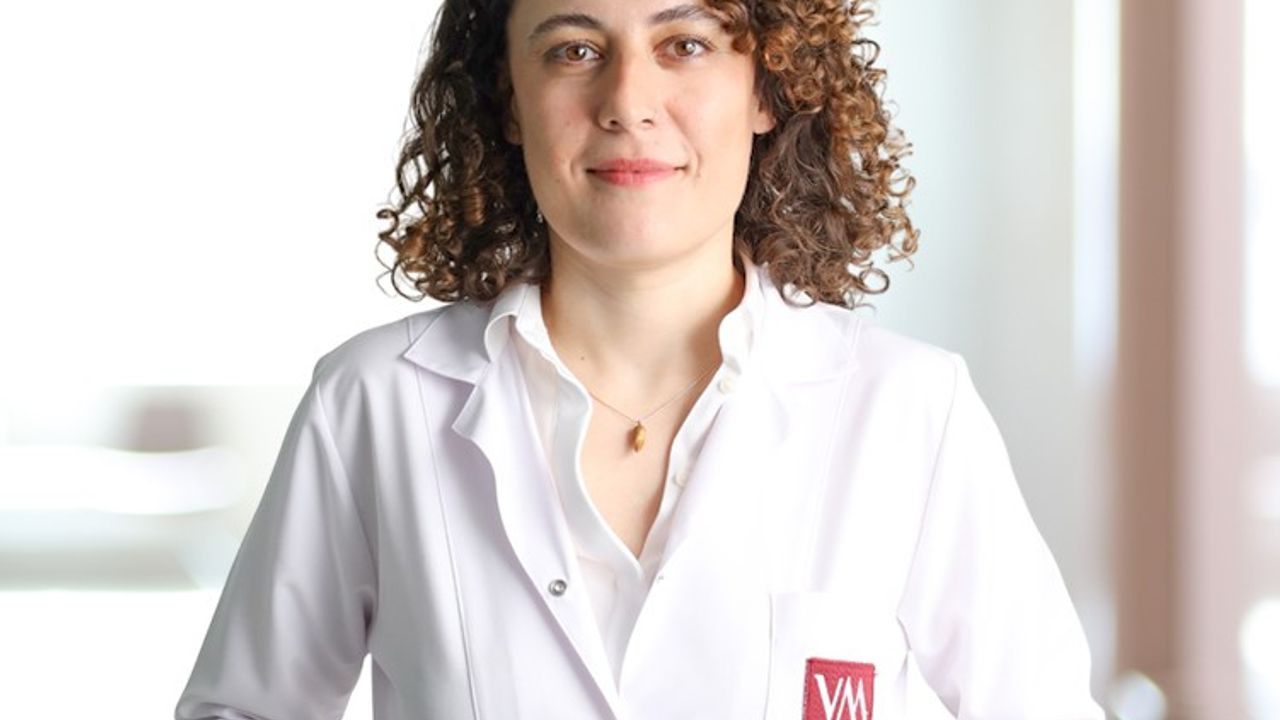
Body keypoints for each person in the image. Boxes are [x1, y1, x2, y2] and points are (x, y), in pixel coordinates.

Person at [177, 0, 1104, 718]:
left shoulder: (908, 409)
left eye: (685, 45)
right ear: (509, 98)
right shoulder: (375, 402)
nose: (626, 102)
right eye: (573, 50)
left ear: (768, 87)